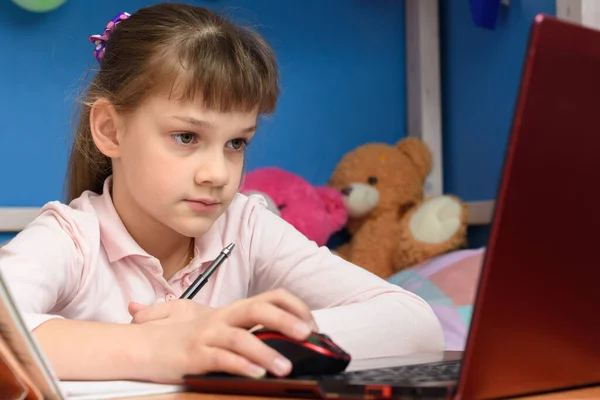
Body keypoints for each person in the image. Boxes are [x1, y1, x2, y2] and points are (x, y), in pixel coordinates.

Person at [0, 3, 444, 384]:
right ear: (111, 130)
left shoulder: (245, 227)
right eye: (186, 137)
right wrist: (160, 349)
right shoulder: (73, 237)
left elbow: (417, 324)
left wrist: (238, 336)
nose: (217, 174)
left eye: (236, 144)